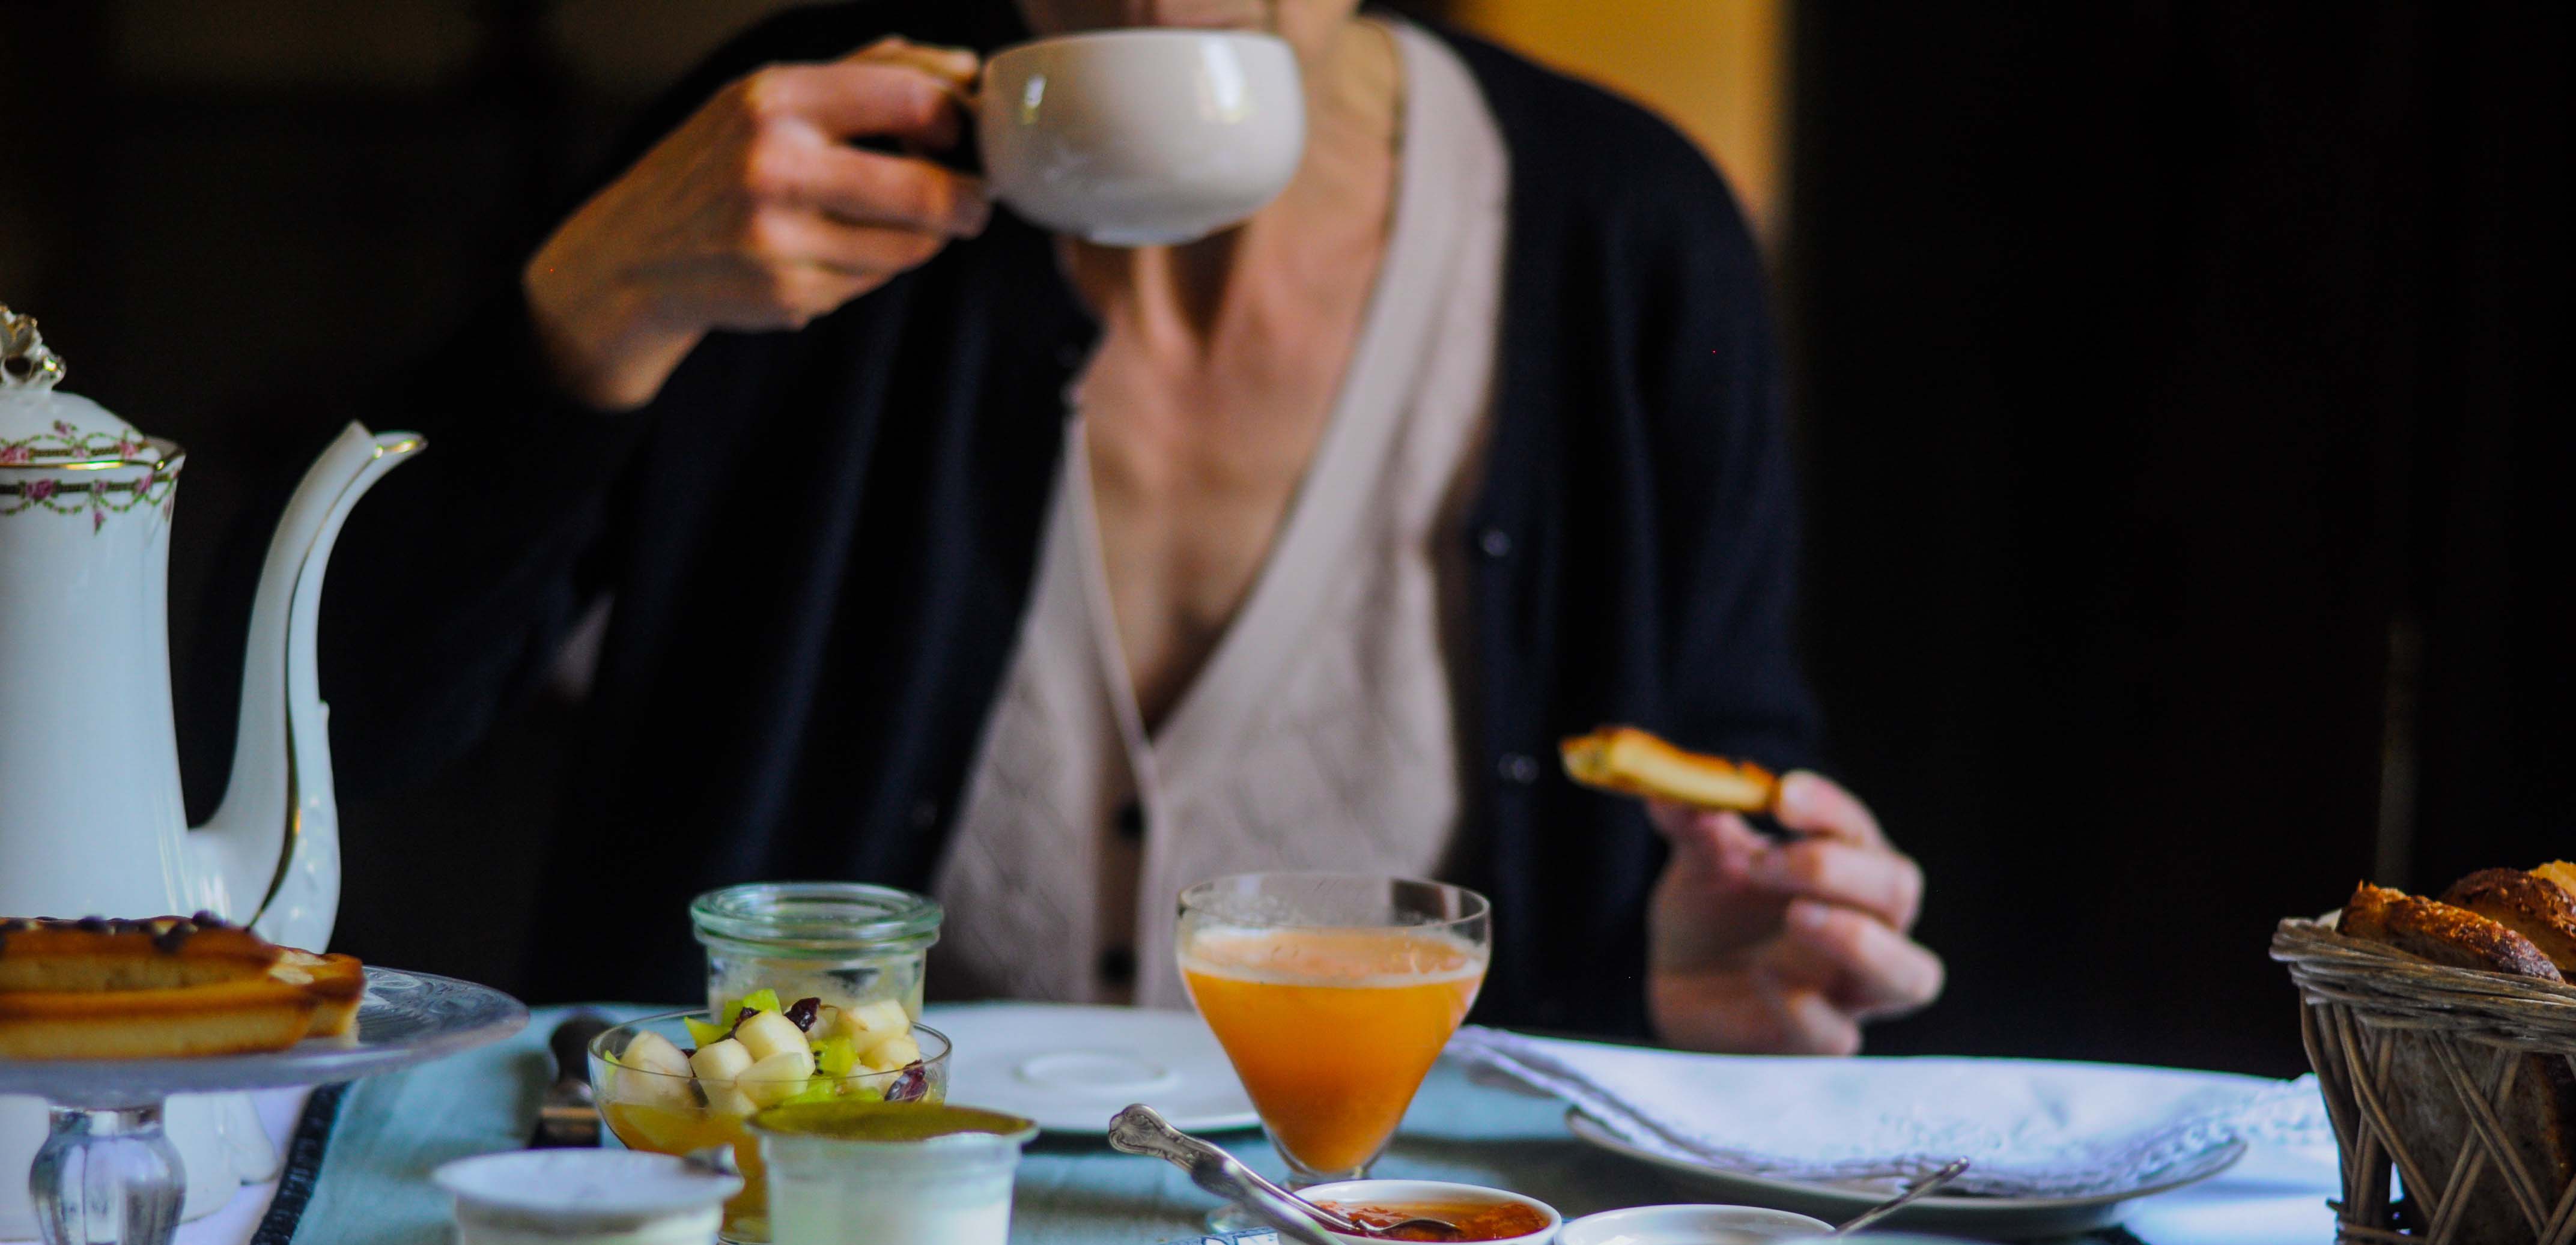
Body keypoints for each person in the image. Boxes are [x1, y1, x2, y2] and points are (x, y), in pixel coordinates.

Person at [309, 0, 1943, 1052]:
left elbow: (1714, 797)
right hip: (802, 1243)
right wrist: (587, 307)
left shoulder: (1624, 233)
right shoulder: (785, 164)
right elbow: (341, 726)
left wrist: (1717, 961)